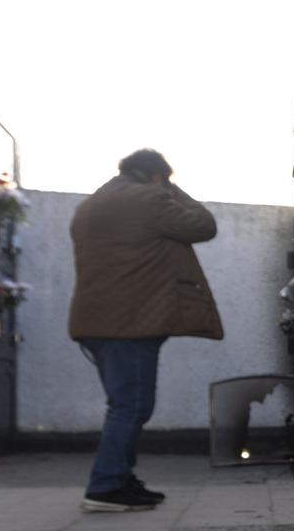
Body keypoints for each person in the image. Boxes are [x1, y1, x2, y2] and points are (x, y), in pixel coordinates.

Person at [67, 149, 223, 511]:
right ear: (156, 176)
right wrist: (173, 189)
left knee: (124, 403)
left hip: (95, 320)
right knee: (131, 405)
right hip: (131, 322)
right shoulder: (150, 198)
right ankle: (105, 486)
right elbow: (204, 226)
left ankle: (120, 478)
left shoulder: (91, 205)